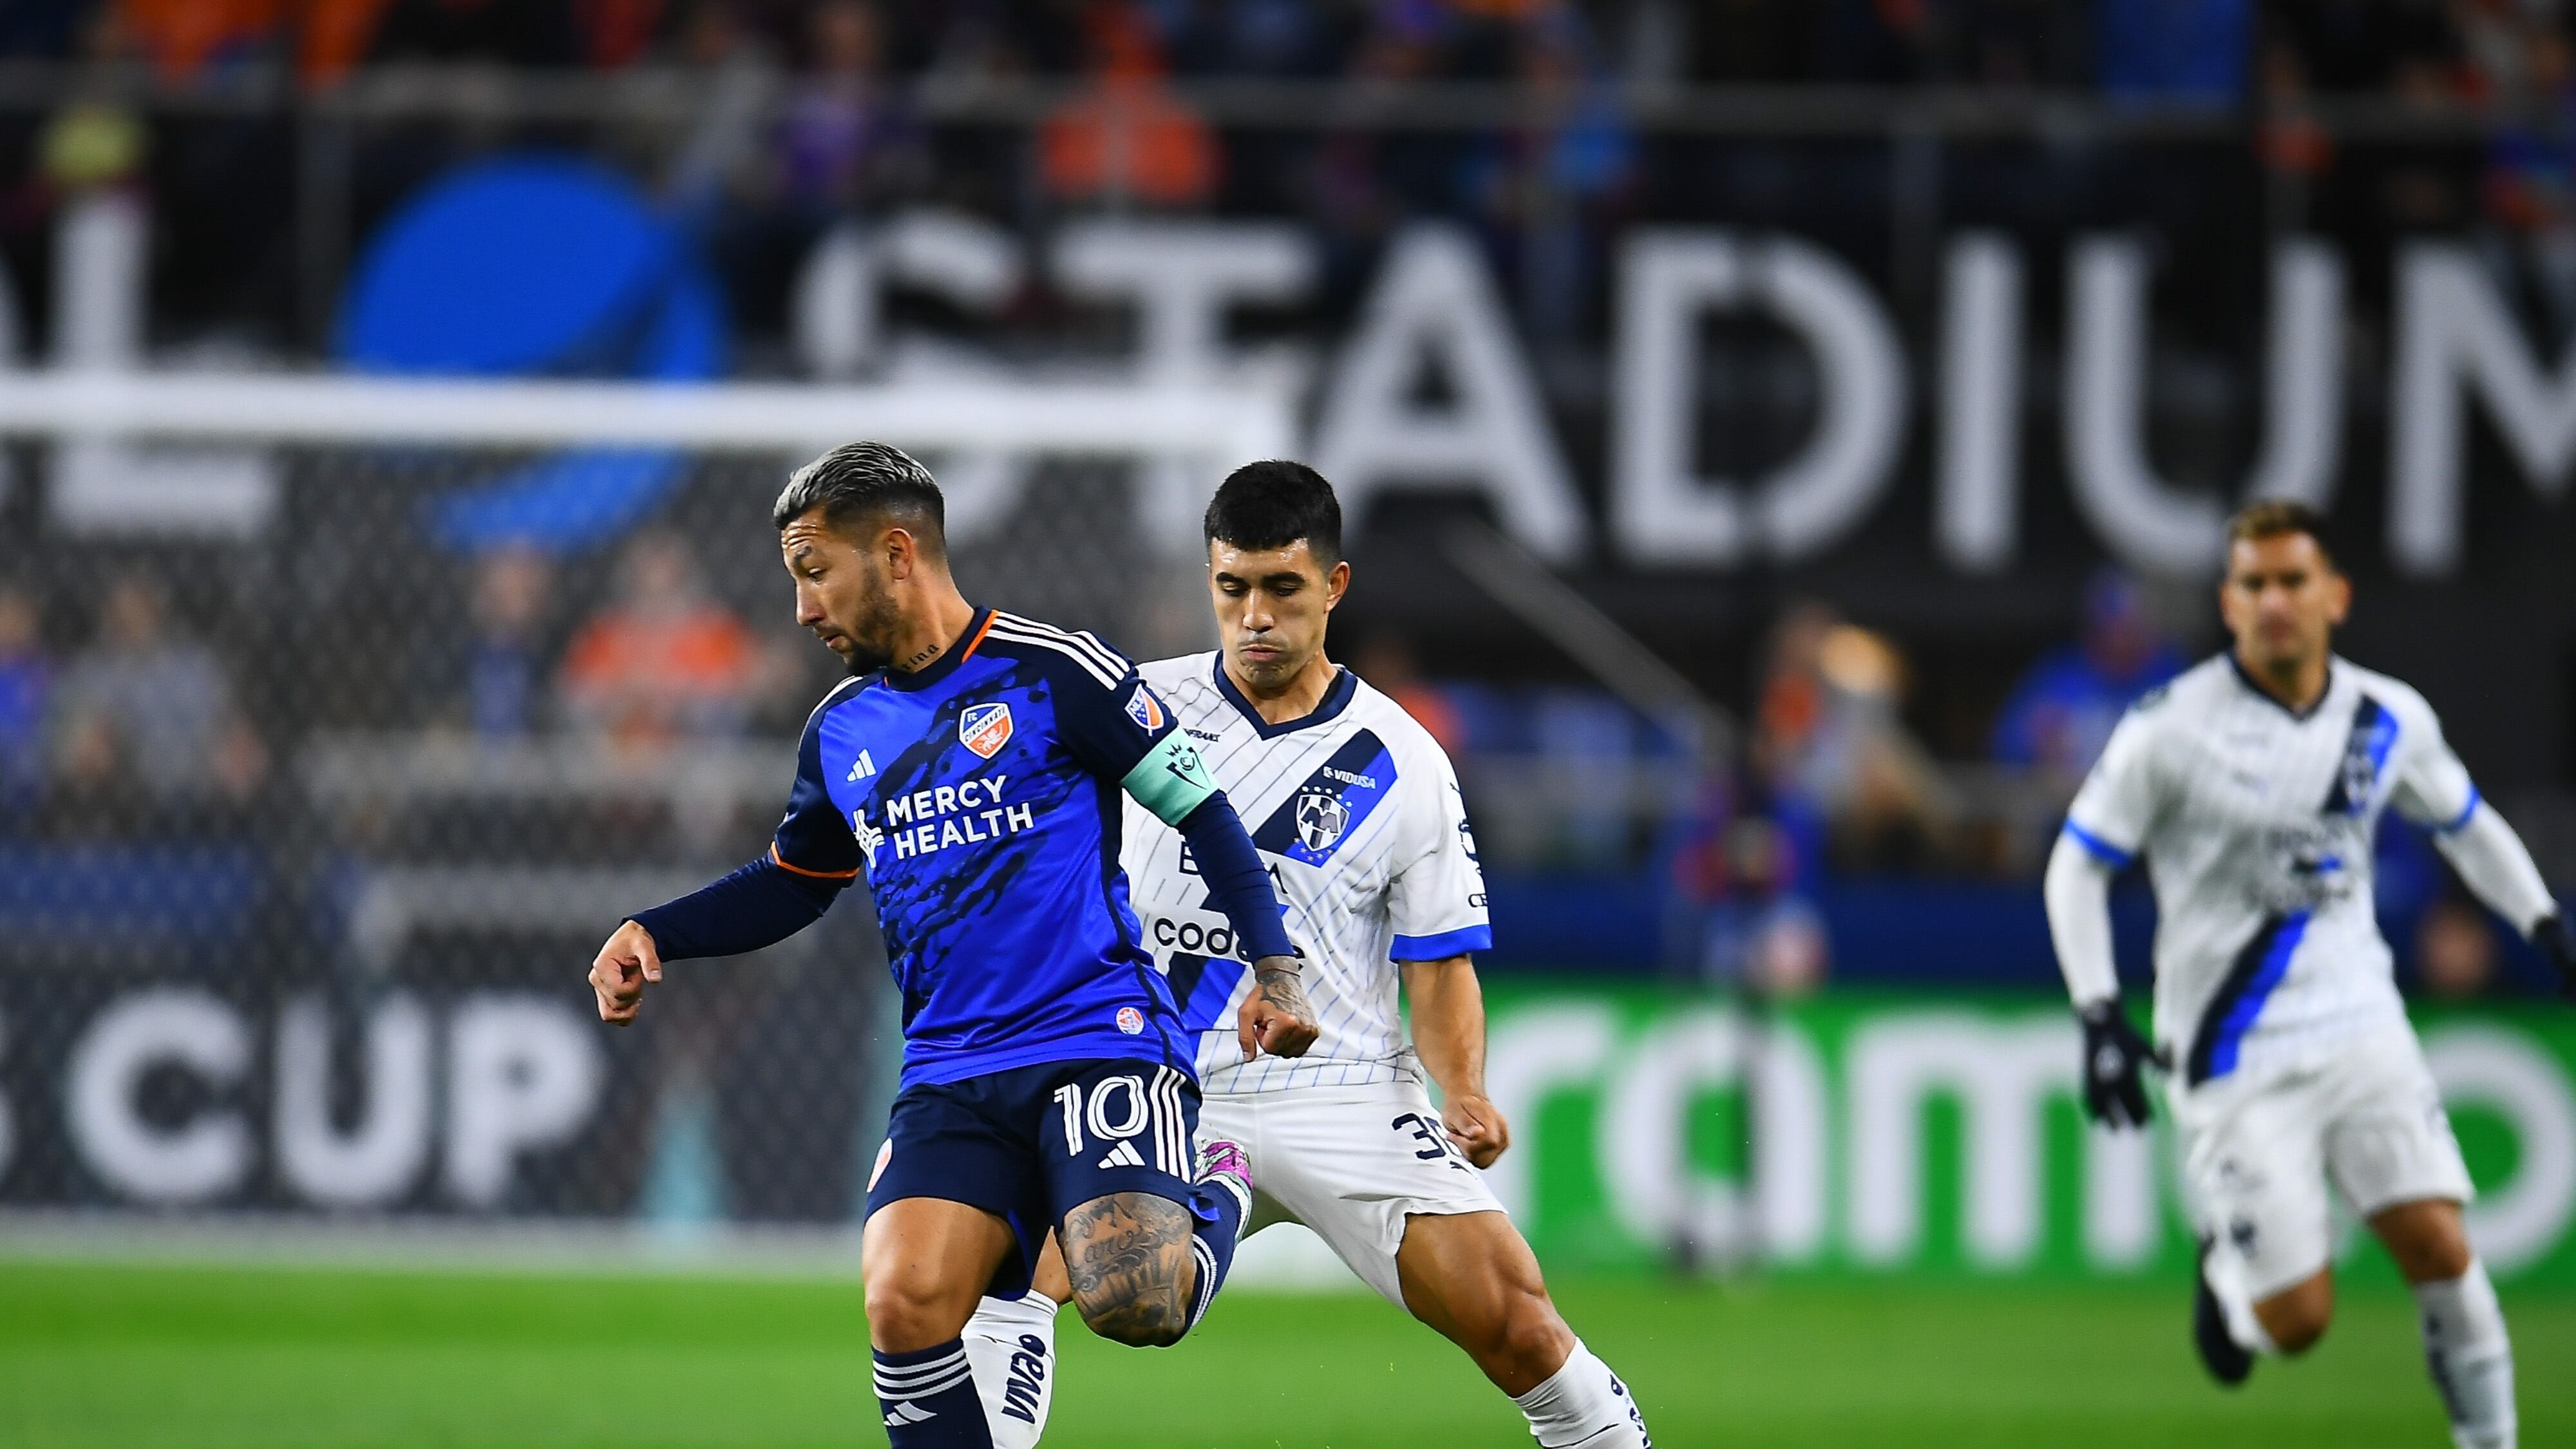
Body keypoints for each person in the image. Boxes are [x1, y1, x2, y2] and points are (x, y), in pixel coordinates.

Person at [586, 442, 1320, 1448]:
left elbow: (1207, 815)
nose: (802, 609)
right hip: (951, 1067)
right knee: (904, 1299)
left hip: (1093, 1038)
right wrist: (653, 930)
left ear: (895, 553)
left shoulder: (1056, 672)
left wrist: (1276, 965)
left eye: (813, 572)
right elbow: (796, 883)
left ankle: (1222, 1172)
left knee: (1137, 1300)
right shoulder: (842, 730)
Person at [962, 462, 1652, 1449]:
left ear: (1333, 586)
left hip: (1345, 1090)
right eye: (1231, 587)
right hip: (1158, 1079)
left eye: (1281, 589)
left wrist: (1463, 1090)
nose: (1254, 617)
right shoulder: (1134, 711)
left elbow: (1440, 961)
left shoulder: (1403, 757)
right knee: (1017, 1274)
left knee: (1520, 1325)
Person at [2043, 500, 2576, 1449]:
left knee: (2442, 1247)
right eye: (2255, 583)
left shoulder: (2387, 718)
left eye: (2294, 580)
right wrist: (2096, 1012)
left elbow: (2468, 822)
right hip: (2232, 1050)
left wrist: (2545, 923)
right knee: (2296, 1320)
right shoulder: (2169, 730)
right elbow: (2077, 864)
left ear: (2335, 595)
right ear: (2229, 602)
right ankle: (2226, 1282)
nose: (2276, 601)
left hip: (2360, 1021)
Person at [1990, 567, 2184, 779]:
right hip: (2073, 804)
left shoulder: (2168, 673)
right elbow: (2006, 746)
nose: (2119, 639)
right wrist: (2037, 743)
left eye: (2128, 628)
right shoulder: (2060, 676)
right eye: (2110, 629)